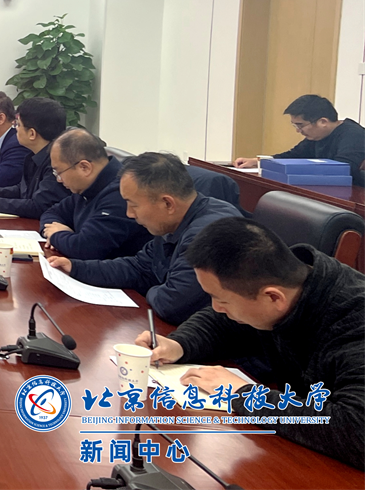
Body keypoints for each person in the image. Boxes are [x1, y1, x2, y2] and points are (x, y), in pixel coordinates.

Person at [135, 218, 365, 472]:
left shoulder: (354, 321)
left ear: (273, 297)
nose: (216, 308)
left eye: (222, 301)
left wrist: (244, 394)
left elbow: (356, 430)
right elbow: (223, 323)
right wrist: (179, 344)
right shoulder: (286, 284)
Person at [47, 152, 240, 323]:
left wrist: (152, 287)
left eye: (133, 205)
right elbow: (138, 268)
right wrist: (76, 268)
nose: (129, 214)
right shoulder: (171, 222)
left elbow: (171, 305)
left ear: (167, 204)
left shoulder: (209, 234)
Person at [39, 129, 151, 259]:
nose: (59, 180)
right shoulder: (86, 187)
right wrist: (59, 234)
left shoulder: (121, 192)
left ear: (84, 167)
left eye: (59, 172)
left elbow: (85, 249)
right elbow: (52, 212)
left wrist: (57, 236)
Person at [0, 97, 68, 218]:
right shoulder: (33, 155)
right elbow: (21, 190)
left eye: (18, 125)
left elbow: (39, 206)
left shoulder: (57, 163)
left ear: (32, 134)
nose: (15, 128)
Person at [233, 94, 365, 186]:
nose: (298, 131)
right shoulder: (317, 136)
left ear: (323, 122)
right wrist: (259, 162)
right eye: (295, 126)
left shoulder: (354, 135)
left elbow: (343, 169)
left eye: (300, 125)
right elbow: (294, 155)